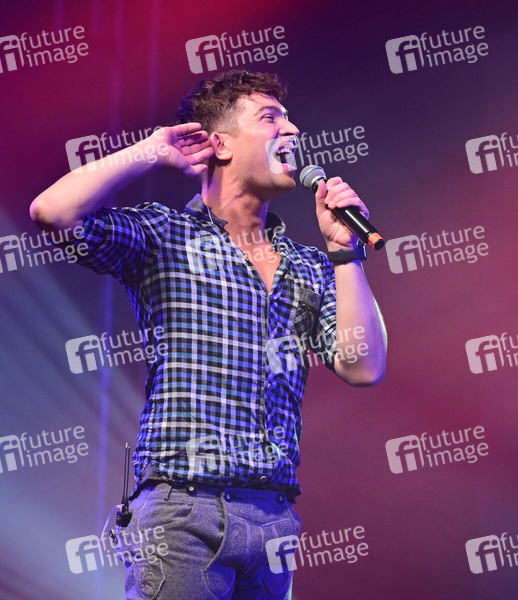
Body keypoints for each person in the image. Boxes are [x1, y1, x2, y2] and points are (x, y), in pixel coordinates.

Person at [30, 70, 387, 600]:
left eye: (289, 119)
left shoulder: (309, 265)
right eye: (270, 118)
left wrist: (344, 255)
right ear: (219, 144)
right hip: (184, 511)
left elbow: (363, 366)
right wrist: (150, 151)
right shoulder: (165, 235)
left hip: (274, 518)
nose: (291, 130)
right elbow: (53, 212)